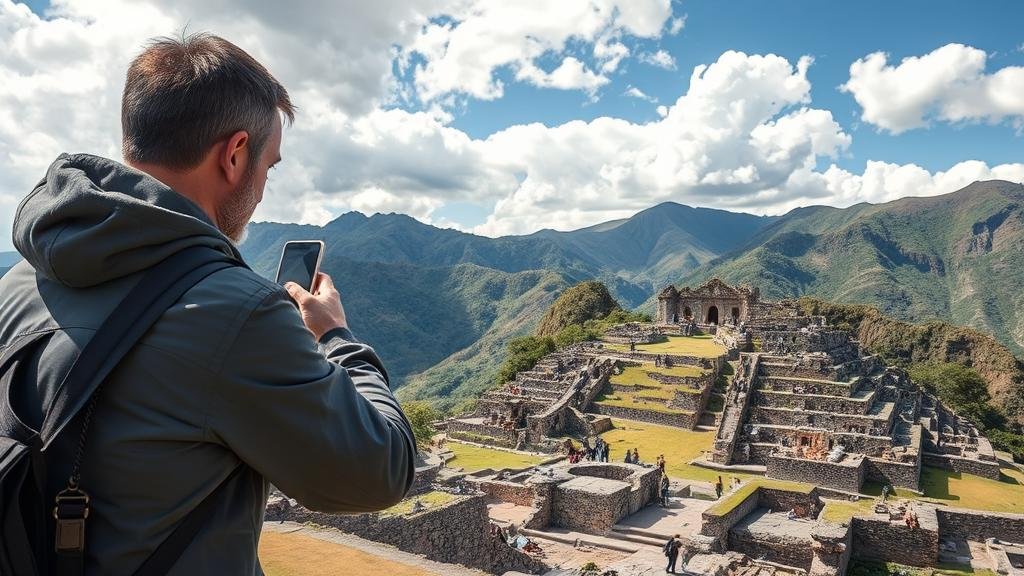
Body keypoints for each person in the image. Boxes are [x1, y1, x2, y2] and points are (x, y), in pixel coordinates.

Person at [0, 33, 417, 573]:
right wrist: (337, 337)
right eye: (269, 165)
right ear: (235, 153)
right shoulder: (235, 312)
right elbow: (381, 469)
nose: (264, 187)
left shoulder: (22, 279)